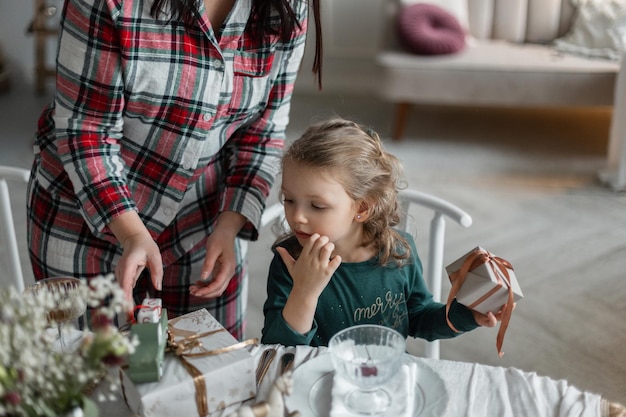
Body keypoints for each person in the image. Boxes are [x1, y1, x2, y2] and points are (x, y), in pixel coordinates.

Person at [26, 0, 322, 340]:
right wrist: (132, 233)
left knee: (211, 379)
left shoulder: (287, 5)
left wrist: (230, 224)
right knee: (93, 381)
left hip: (204, 227)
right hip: (82, 221)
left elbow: (264, 131)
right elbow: (87, 132)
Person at [261, 118, 506, 346]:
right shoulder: (290, 262)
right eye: (289, 199)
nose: (296, 216)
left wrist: (467, 315)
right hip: (318, 381)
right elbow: (277, 350)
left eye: (317, 206)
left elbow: (419, 318)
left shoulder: (397, 252)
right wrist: (305, 291)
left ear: (362, 208)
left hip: (386, 375)